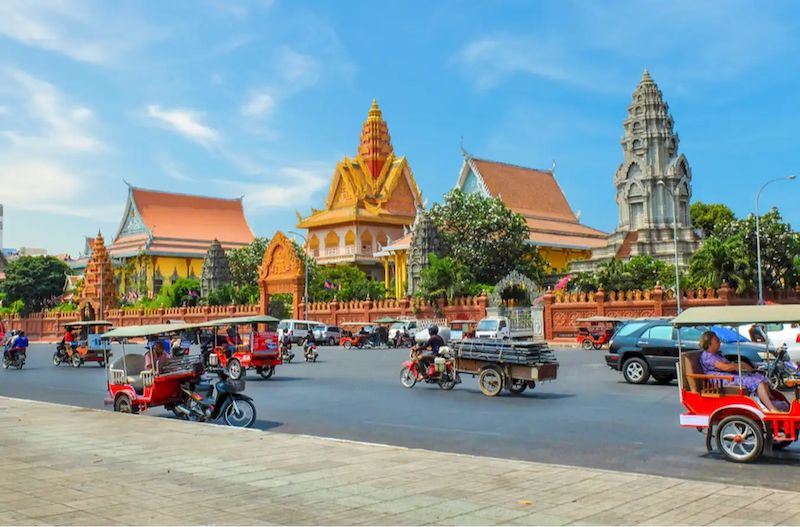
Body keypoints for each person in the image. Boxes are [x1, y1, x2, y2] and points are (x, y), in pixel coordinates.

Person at [699, 331, 788, 413]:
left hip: (730, 376)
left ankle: (769, 401)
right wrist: (740, 365)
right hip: (723, 380)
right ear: (709, 344)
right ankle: (771, 408)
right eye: (716, 341)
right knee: (758, 382)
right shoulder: (708, 356)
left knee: (760, 377)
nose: (719, 342)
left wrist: (740, 365)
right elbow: (726, 367)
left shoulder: (716, 354)